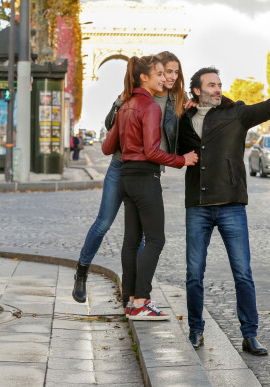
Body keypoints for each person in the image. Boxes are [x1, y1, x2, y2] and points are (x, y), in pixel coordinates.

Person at [178, 64, 270, 354]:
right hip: (198, 204)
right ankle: (196, 329)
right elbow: (164, 143)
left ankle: (250, 334)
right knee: (194, 274)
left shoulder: (236, 113)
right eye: (211, 85)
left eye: (219, 85)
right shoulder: (183, 120)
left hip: (231, 203)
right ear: (197, 90)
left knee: (242, 273)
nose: (218, 89)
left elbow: (266, 108)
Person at [72, 51, 188, 310]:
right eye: (164, 72)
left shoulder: (177, 100)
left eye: (174, 72)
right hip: (122, 164)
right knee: (104, 223)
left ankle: (133, 296)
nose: (169, 77)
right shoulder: (132, 97)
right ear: (150, 74)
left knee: (139, 238)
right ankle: (83, 273)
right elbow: (111, 130)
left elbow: (183, 131)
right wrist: (182, 160)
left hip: (144, 168)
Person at [102, 55, 198, 320]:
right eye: (158, 74)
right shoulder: (151, 108)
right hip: (145, 177)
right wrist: (183, 160)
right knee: (156, 239)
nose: (163, 79)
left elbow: (107, 147)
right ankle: (142, 300)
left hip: (126, 178)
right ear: (144, 77)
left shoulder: (126, 105)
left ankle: (130, 300)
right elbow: (153, 152)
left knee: (131, 241)